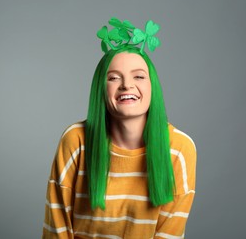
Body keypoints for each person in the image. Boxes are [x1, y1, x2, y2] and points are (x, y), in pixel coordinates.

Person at [42, 18, 197, 238]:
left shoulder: (180, 149)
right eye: (114, 78)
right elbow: (56, 229)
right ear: (100, 89)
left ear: (153, 86)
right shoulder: (76, 141)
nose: (127, 85)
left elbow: (170, 232)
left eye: (139, 76)